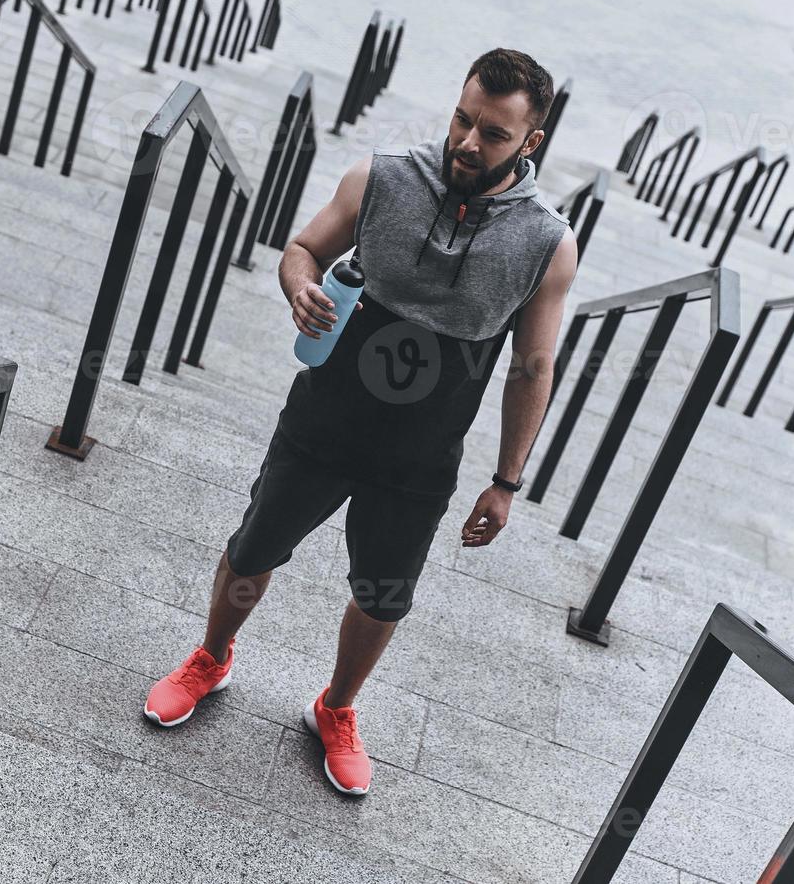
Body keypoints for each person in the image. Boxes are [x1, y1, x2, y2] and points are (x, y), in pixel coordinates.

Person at [143, 49, 579, 796]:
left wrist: (506, 481)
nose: (468, 144)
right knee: (253, 551)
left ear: (529, 143)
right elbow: (304, 248)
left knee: (382, 594)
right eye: (463, 120)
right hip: (324, 416)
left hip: (421, 451)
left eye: (495, 134)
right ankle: (211, 657)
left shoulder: (546, 243)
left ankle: (335, 708)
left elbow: (532, 368)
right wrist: (299, 286)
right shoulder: (382, 177)